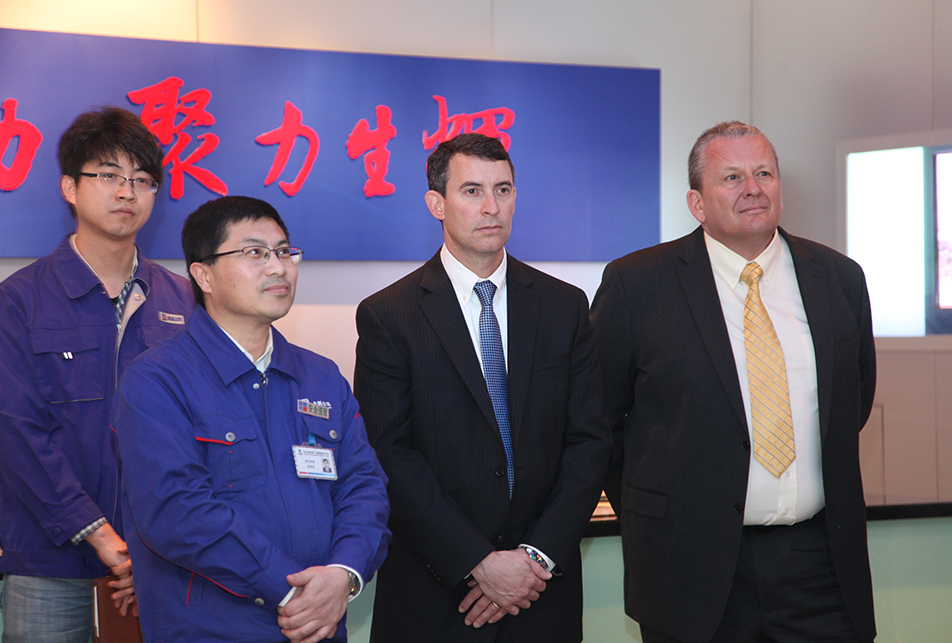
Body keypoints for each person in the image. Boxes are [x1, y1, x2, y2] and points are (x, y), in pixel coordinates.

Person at [590, 121, 876, 643]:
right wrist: (658, 508)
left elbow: (851, 403)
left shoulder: (840, 278)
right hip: (687, 568)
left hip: (820, 567)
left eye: (764, 173)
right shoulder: (636, 285)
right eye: (732, 177)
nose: (753, 189)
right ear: (697, 203)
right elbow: (598, 420)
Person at [354, 133, 610, 642]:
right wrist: (477, 562)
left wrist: (534, 559)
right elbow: (390, 454)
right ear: (437, 204)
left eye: (503, 190)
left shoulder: (564, 306)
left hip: (541, 593)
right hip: (436, 592)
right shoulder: (389, 315)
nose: (491, 207)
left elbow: (590, 441)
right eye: (472, 191)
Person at [114, 195, 390, 643]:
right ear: (203, 274)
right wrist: (290, 590)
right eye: (255, 253)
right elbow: (177, 512)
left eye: (284, 252)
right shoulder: (156, 380)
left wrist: (343, 574)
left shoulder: (321, 376)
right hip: (211, 630)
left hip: (318, 625)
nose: (278, 268)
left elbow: (364, 487)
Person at [0, 106, 195, 642]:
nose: (127, 192)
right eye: (108, 175)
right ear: (70, 188)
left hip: (162, 561)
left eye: (142, 180)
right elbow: (15, 428)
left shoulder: (185, 300)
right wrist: (98, 533)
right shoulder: (19, 299)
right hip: (49, 562)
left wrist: (154, 546)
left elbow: (200, 431)